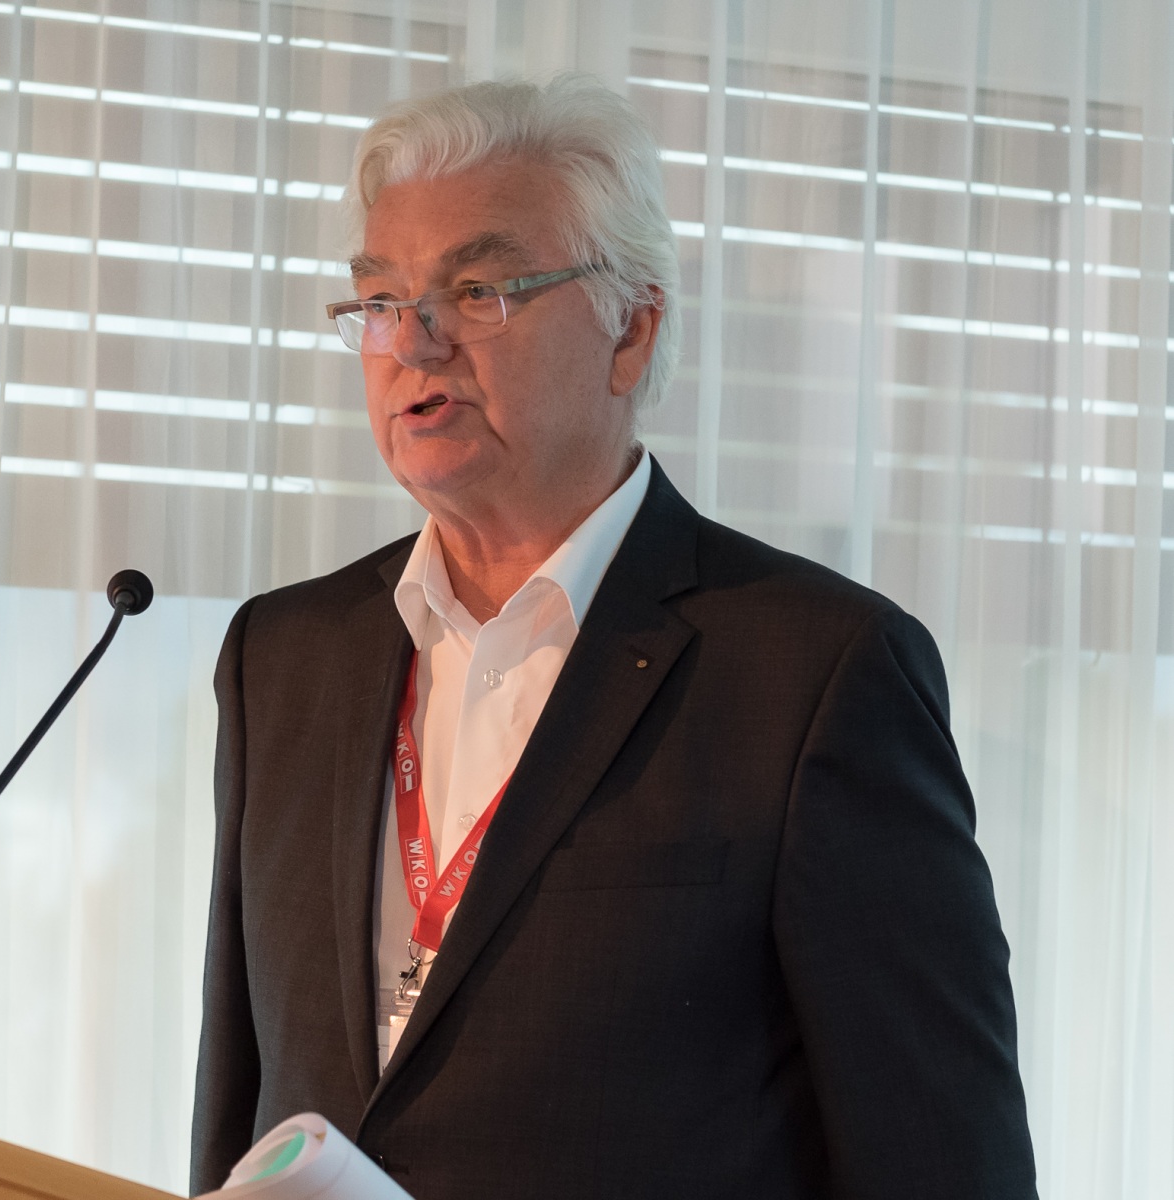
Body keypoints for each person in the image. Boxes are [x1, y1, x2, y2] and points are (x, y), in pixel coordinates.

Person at [190, 74, 1036, 1199]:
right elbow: (240, 1110)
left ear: (630, 331)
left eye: (477, 291)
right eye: (381, 299)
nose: (415, 344)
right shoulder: (284, 657)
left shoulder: (814, 676)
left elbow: (943, 1163)